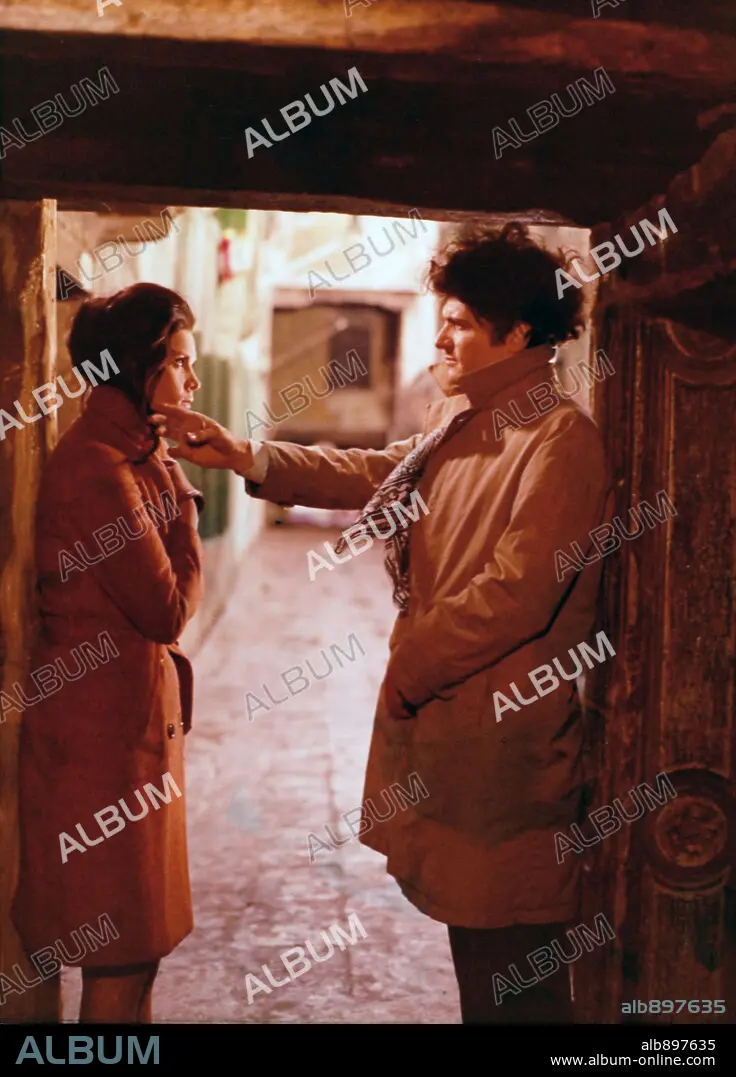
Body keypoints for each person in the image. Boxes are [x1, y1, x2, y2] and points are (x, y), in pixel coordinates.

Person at [154, 224, 612, 1024]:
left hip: (504, 753)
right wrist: (245, 455)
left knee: (518, 973)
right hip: (459, 743)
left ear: (520, 329)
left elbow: (520, 592)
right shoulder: (465, 419)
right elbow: (379, 473)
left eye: (462, 320)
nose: (442, 334)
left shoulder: (558, 438)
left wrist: (413, 666)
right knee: (482, 959)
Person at [12, 283, 204, 1023]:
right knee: (120, 955)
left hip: (127, 735)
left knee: (139, 950)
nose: (191, 381)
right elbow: (167, 608)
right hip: (100, 750)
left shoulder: (130, 451)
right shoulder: (99, 467)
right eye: (181, 364)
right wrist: (186, 501)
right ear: (136, 368)